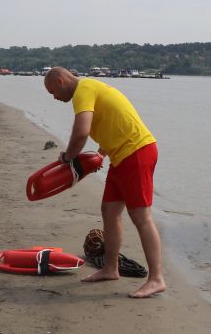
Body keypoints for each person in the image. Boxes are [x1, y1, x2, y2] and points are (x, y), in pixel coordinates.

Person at [43, 66, 166, 298]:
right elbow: (114, 123)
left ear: (60, 81)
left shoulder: (83, 90)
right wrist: (100, 153)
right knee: (109, 210)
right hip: (121, 155)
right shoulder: (89, 88)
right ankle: (111, 268)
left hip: (137, 152)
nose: (54, 98)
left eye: (52, 92)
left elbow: (81, 132)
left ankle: (157, 278)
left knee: (141, 216)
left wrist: (67, 158)